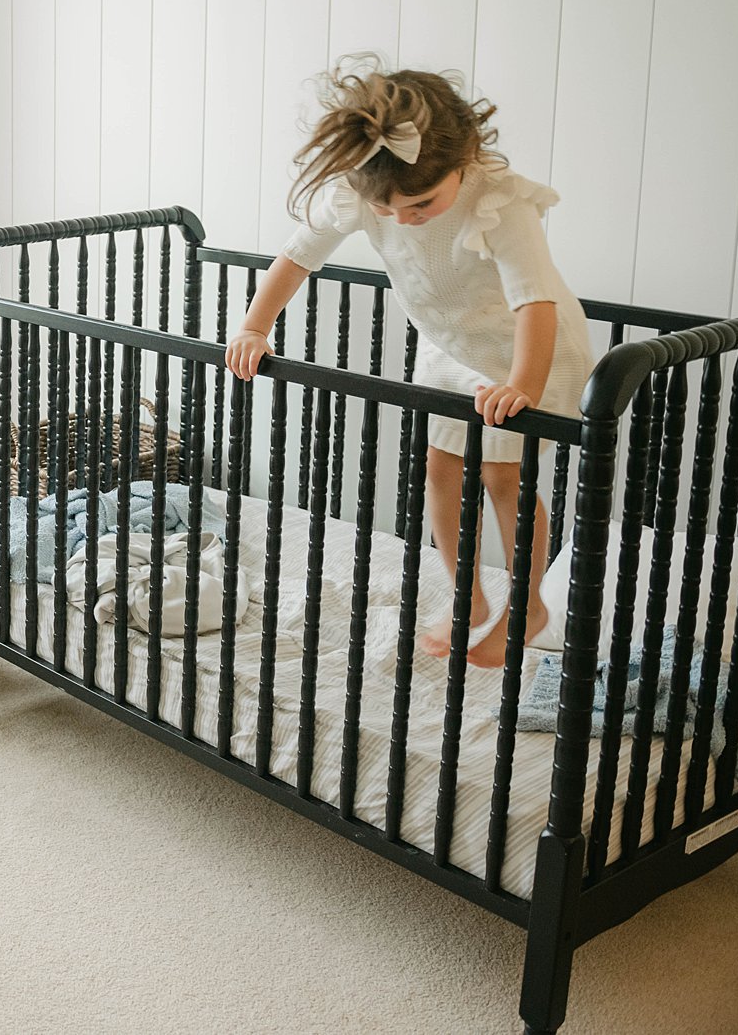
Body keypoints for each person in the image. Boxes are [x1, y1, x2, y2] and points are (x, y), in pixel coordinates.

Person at [223, 56, 592, 669]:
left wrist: (522, 385)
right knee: (441, 469)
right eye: (389, 211)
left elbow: (536, 299)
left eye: (418, 205)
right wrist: (255, 327)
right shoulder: (369, 189)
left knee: (502, 475)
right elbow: (296, 256)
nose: (401, 219)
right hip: (453, 348)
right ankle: (467, 597)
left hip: (528, 349)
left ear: (463, 157)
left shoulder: (499, 200)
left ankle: (527, 605)